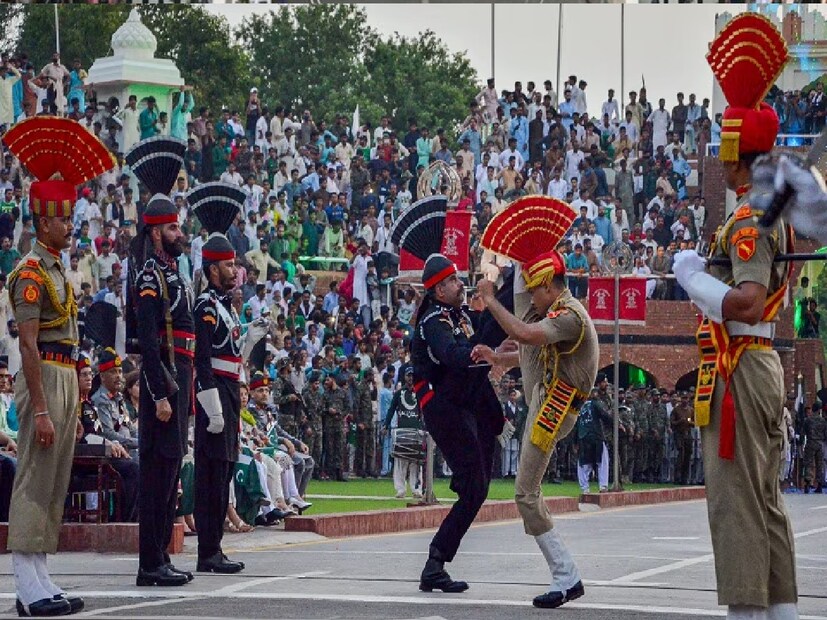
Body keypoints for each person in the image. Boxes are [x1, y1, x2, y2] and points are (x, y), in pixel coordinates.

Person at [672, 15, 798, 619]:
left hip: (741, 362)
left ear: (734, 153)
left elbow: (746, 300)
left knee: (737, 502)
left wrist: (693, 278)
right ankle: (781, 612)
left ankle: (748, 613)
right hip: (759, 361)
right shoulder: (771, 212)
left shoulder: (749, 218)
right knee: (766, 499)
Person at [4, 116, 113, 617]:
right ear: (43, 221)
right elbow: (27, 346)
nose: (71, 225)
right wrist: (43, 408)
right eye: (64, 218)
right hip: (43, 374)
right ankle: (26, 582)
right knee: (34, 474)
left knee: (54, 478)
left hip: (65, 373)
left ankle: (41, 573)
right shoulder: (28, 273)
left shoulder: (57, 269)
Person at [470, 196, 598, 609]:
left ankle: (566, 576)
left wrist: (490, 300)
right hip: (547, 401)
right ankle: (567, 575)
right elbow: (528, 351)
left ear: (547, 286)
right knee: (527, 493)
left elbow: (527, 337)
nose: (528, 303)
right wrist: (498, 358)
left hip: (555, 409)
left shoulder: (570, 317)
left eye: (530, 290)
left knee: (524, 493)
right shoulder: (556, 306)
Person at [411, 254, 503, 593]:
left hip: (467, 403)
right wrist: (478, 350)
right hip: (442, 405)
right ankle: (435, 563)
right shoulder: (434, 321)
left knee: (477, 485)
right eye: (450, 281)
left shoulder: (461, 314)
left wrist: (501, 292)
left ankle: (435, 563)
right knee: (475, 486)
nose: (458, 284)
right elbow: (451, 354)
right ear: (437, 291)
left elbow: (492, 324)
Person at [128, 138, 195, 588]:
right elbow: (149, 343)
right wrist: (159, 393)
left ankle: (161, 559)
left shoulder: (174, 274)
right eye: (171, 228)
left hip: (179, 384)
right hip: (164, 389)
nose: (179, 233)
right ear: (156, 233)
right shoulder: (151, 275)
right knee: (156, 477)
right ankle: (149, 563)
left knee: (169, 475)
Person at [189, 181, 254, 574]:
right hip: (217, 394)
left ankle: (215, 548)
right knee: (213, 473)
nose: (235, 270)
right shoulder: (206, 306)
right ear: (213, 269)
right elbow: (203, 360)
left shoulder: (224, 307)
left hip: (230, 391)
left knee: (225, 470)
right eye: (229, 265)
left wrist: (249, 339)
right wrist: (210, 404)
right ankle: (208, 551)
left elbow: (230, 354)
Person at [383, 368, 424, 499]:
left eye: (413, 376)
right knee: (400, 462)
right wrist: (386, 425)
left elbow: (425, 411)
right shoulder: (399, 393)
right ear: (404, 377)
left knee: (416, 463)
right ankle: (400, 489)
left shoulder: (419, 393)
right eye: (408, 376)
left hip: (417, 431)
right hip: (402, 431)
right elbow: (391, 409)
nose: (411, 378)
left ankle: (416, 489)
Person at [802, 402, 825, 494]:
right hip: (820, 443)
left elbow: (803, 432)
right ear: (819, 410)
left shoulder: (808, 420)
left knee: (808, 463)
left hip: (810, 442)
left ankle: (807, 483)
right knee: (820, 464)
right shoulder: (823, 421)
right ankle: (819, 485)